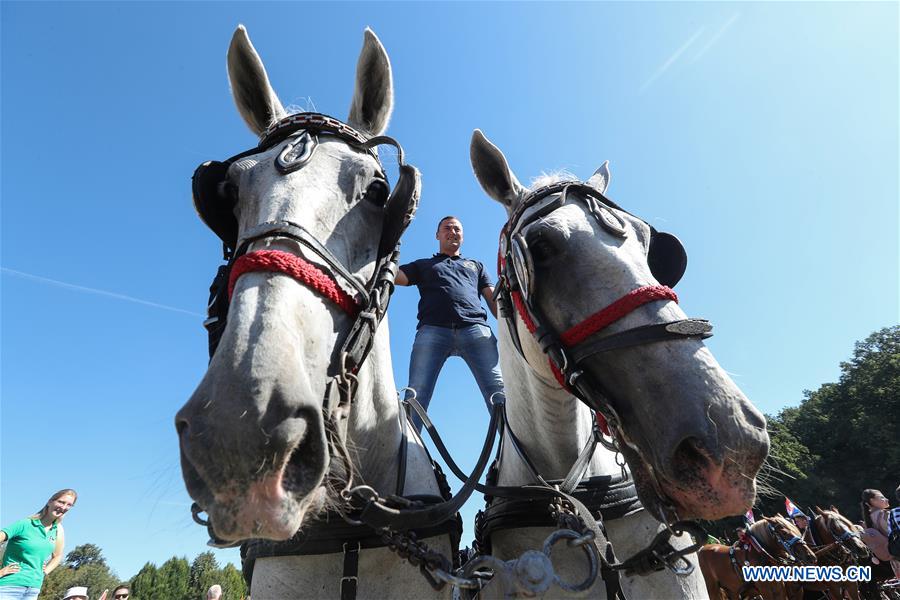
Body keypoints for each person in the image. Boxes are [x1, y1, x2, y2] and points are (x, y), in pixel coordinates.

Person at [395, 216, 504, 431]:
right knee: (416, 393)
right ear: (437, 235)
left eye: (457, 229)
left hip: (475, 329)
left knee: (499, 392)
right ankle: (405, 454)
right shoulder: (423, 265)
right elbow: (396, 276)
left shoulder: (476, 266)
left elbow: (496, 306)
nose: (452, 231)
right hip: (432, 331)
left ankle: (514, 450)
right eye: (447, 228)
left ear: (462, 236)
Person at [0, 489, 77, 600]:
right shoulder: (25, 524)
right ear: (50, 502)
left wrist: (45, 572)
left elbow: (58, 556)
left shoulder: (58, 530)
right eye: (61, 502)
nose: (64, 507)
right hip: (9, 586)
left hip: (33, 589)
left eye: (69, 505)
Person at [860, 488, 900, 578]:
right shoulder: (886, 515)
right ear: (872, 501)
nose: (886, 499)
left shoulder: (868, 521)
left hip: (892, 561)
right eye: (882, 497)